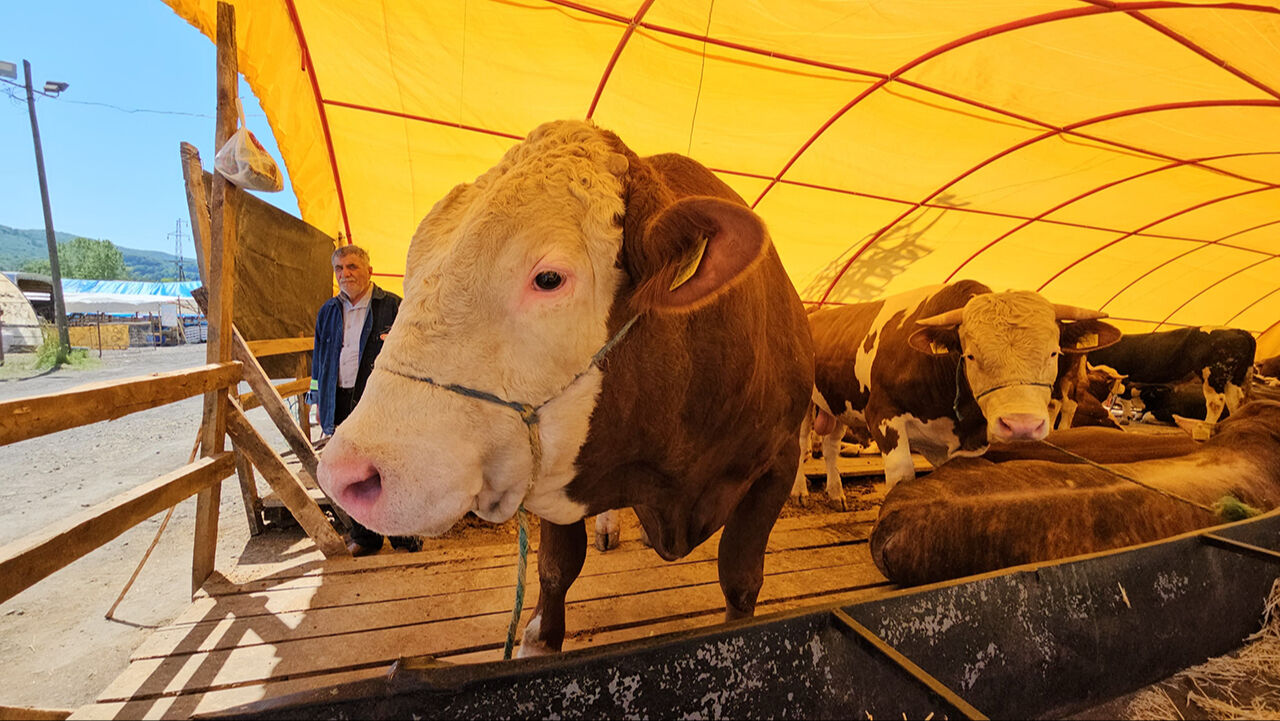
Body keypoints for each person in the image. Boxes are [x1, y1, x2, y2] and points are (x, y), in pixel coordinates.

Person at [309, 244, 421, 556]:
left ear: (368, 270)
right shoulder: (327, 312)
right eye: (340, 269)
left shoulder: (393, 306)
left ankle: (404, 537)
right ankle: (366, 537)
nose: (345, 274)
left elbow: (413, 355)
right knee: (353, 470)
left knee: (393, 467)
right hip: (341, 400)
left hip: (382, 402)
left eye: (352, 267)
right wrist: (317, 402)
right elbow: (318, 363)